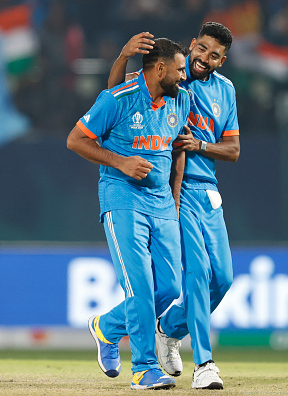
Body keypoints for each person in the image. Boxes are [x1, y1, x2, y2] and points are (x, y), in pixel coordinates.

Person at [103, 22, 240, 390]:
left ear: (222, 61)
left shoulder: (225, 91)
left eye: (215, 56)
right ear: (193, 45)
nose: (204, 59)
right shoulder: (169, 77)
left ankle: (163, 328)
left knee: (222, 278)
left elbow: (233, 150)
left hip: (204, 190)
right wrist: (124, 55)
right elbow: (115, 95)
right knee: (195, 276)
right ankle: (205, 364)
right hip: (166, 191)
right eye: (202, 50)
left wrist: (200, 147)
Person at [66, 37, 190, 390]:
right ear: (160, 68)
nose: (184, 76)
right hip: (123, 199)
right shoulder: (117, 98)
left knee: (169, 287)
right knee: (140, 286)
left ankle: (105, 327)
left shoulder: (181, 101)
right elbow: (76, 140)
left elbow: (177, 150)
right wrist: (120, 161)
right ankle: (144, 368)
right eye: (179, 69)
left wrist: (174, 201)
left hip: (162, 203)